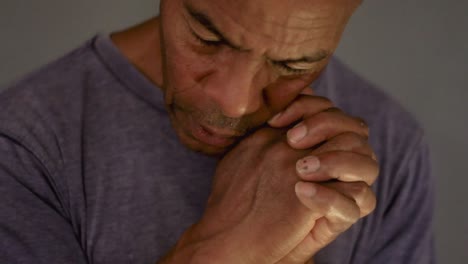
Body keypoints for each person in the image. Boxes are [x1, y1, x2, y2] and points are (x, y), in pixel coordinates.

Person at [0, 0, 435, 263]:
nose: (237, 103)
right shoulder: (22, 145)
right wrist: (223, 251)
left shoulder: (393, 145)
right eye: (208, 36)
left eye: (294, 66)